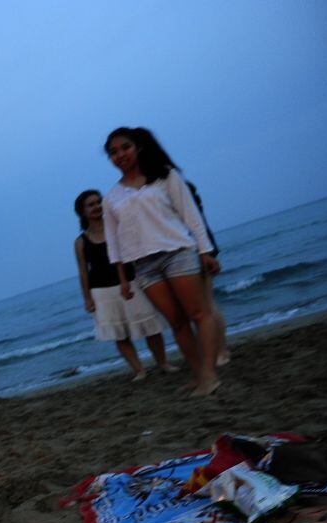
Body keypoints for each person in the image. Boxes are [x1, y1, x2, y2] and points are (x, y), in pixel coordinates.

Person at [102, 127, 221, 397]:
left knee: (199, 314)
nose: (120, 154)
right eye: (113, 152)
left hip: (177, 252)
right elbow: (115, 243)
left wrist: (206, 251)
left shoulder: (165, 176)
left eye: (125, 147)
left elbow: (190, 215)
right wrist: (123, 279)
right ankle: (198, 373)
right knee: (176, 322)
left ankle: (209, 374)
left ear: (138, 147)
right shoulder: (111, 198)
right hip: (143, 266)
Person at [73, 190, 176, 380]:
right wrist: (87, 298)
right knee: (119, 333)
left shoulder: (118, 228)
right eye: (91, 205)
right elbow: (83, 272)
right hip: (102, 291)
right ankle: (139, 370)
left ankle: (162, 363)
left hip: (131, 282)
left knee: (150, 325)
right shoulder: (80, 242)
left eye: (98, 202)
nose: (96, 207)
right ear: (82, 212)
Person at [186, 181, 231, 366]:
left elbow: (196, 225)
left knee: (206, 305)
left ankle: (221, 351)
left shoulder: (179, 188)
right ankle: (217, 350)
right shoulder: (179, 187)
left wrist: (206, 253)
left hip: (196, 251)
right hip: (192, 252)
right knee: (203, 306)